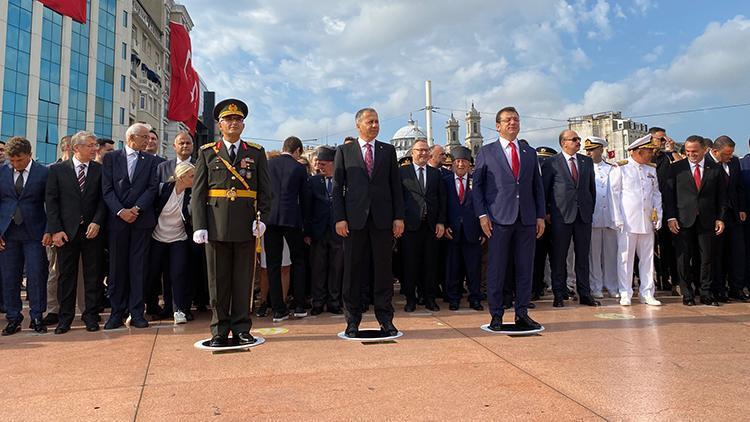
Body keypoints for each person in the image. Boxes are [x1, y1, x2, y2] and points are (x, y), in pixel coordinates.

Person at [192, 98, 272, 347]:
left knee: (243, 280)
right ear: (220, 124)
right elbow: (198, 192)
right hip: (215, 225)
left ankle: (241, 327)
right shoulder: (207, 152)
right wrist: (199, 225)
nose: (233, 123)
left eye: (238, 120)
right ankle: (218, 329)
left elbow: (265, 192)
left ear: (243, 125)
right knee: (218, 281)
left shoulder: (256, 153)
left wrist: (263, 220)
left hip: (246, 223)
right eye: (229, 119)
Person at [333, 107, 405, 338]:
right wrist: (340, 218)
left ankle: (386, 319)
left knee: (383, 271)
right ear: (358, 125)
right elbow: (337, 189)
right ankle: (352, 320)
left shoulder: (388, 151)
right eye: (370, 122)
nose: (375, 125)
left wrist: (398, 216)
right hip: (354, 221)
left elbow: (395, 186)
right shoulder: (344, 151)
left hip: (383, 220)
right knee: (353, 272)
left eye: (377, 122)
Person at [472, 106, 545, 331]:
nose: (512, 123)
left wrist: (540, 216)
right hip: (498, 219)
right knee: (497, 269)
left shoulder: (529, 152)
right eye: (507, 120)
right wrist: (482, 214)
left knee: (525, 268)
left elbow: (537, 187)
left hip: (526, 219)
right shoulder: (487, 151)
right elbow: (478, 187)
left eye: (515, 119)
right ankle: (496, 315)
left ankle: (522, 313)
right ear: (498, 126)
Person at [45, 131, 107, 333]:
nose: (94, 149)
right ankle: (65, 318)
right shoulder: (57, 170)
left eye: (95, 145)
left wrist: (97, 221)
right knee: (66, 277)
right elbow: (52, 202)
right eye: (90, 145)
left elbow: (102, 199)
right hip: (66, 233)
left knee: (92, 275)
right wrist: (55, 230)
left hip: (92, 232)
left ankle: (90, 316)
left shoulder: (99, 170)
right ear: (76, 148)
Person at [101, 122, 160, 329]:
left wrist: (136, 209)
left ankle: (137, 312)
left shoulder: (152, 161)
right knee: (117, 268)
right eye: (145, 137)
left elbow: (152, 189)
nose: (148, 140)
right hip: (117, 221)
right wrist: (121, 211)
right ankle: (116, 313)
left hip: (141, 221)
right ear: (132, 137)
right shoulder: (110, 158)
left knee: (138, 268)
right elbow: (107, 189)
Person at [664, 135, 727, 306]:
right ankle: (687, 293)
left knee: (706, 257)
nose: (691, 154)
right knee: (683, 258)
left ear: (704, 150)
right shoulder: (676, 168)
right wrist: (671, 217)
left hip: (707, 220)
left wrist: (720, 218)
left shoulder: (715, 168)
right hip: (683, 220)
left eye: (695, 151)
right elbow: (669, 195)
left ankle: (706, 292)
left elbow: (721, 196)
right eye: (688, 151)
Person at [542, 130, 600, 308]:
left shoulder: (586, 161)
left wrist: (589, 211)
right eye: (574, 139)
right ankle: (559, 294)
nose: (578, 142)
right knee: (559, 256)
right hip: (561, 216)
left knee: (582, 256)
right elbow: (545, 190)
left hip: (583, 216)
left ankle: (585, 293)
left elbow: (591, 190)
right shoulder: (551, 163)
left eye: (578, 139)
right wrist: (547, 213)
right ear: (563, 143)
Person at [0, 137, 51, 335]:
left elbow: (51, 204)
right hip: (8, 233)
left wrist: (49, 229)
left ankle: (37, 316)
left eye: (19, 160)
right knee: (9, 276)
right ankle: (13, 318)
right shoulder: (2, 172)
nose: (15, 164)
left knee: (36, 275)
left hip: (35, 233)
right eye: (11, 160)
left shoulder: (44, 173)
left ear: (29, 155)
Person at [147, 131, 196, 317]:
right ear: (174, 146)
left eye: (188, 143)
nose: (185, 146)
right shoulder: (162, 169)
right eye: (181, 143)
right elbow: (152, 199)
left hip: (182, 235)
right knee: (155, 273)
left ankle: (180, 309)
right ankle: (160, 307)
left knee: (179, 272)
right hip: (157, 235)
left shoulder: (199, 166)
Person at [609, 135, 663, 306]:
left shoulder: (651, 170)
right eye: (648, 152)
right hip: (627, 220)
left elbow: (656, 194)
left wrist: (658, 215)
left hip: (646, 220)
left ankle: (647, 292)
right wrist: (617, 217)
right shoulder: (621, 168)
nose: (651, 155)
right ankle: (625, 292)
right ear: (639, 151)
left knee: (648, 258)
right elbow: (614, 195)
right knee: (625, 258)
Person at [399, 137, 446, 312]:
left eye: (426, 150)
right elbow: (398, 198)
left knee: (431, 264)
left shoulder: (435, 173)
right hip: (410, 226)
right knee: (410, 264)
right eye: (420, 150)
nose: (423, 153)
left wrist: (441, 221)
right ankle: (411, 299)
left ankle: (430, 298)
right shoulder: (403, 172)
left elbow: (442, 199)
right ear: (412, 153)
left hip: (431, 226)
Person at [266, 136, 309, 321]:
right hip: (292, 219)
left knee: (273, 264)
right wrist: (306, 225)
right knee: (298, 261)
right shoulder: (299, 168)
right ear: (298, 150)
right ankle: (299, 305)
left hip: (270, 220)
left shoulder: (268, 165)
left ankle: (278, 309)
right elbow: (305, 199)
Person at [706, 136, 748, 302]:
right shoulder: (706, 163)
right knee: (718, 255)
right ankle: (719, 289)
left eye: (731, 153)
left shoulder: (734, 162)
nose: (730, 157)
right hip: (715, 217)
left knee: (737, 253)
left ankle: (736, 288)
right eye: (726, 154)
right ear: (716, 151)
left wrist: (742, 208)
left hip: (734, 215)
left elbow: (739, 188)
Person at [304, 146, 344, 315]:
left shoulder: (342, 181)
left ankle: (334, 301)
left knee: (336, 267)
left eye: (323, 163)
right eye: (318, 163)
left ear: (333, 163)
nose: (320, 167)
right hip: (318, 232)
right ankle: (318, 302)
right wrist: (307, 232)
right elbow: (307, 208)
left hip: (338, 231)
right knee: (318, 268)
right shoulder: (313, 182)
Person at [444, 146, 483, 310]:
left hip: (472, 231)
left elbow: (483, 206)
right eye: (457, 161)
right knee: (453, 267)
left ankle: (475, 298)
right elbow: (442, 206)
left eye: (464, 161)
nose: (461, 165)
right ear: (452, 164)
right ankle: (454, 298)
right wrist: (444, 225)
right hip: (452, 232)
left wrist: (482, 230)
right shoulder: (444, 181)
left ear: (470, 164)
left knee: (473, 268)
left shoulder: (477, 181)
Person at [584, 137, 619, 298]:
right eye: (587, 150)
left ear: (601, 149)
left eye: (592, 149)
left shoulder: (613, 168)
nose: (588, 152)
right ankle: (596, 286)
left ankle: (612, 286)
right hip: (593, 216)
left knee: (611, 254)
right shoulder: (584, 168)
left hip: (611, 216)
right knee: (594, 255)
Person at [650, 127, 681, 292]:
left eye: (665, 139)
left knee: (670, 246)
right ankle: (657, 279)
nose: (663, 142)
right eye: (660, 139)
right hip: (650, 207)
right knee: (652, 248)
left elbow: (682, 168)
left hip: (668, 206)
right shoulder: (646, 157)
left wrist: (672, 150)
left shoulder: (668, 157)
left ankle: (674, 279)